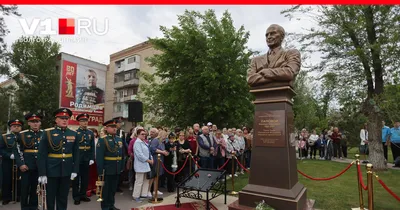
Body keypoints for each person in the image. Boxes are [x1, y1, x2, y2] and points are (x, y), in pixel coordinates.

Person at [37, 108, 79, 210]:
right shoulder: (47, 133)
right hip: (51, 170)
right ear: (56, 120)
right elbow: (42, 154)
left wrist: (75, 170)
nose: (64, 120)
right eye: (61, 118)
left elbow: (77, 154)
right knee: (50, 197)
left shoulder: (73, 134)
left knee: (63, 197)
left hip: (66, 169)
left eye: (66, 118)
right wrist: (42, 173)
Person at [96, 119, 124, 210]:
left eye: (115, 127)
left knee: (113, 189)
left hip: (116, 168)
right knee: (105, 190)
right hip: (107, 169)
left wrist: (121, 166)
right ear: (106, 128)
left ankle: (111, 205)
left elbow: (121, 155)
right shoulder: (103, 140)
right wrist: (100, 171)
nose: (114, 129)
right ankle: (105, 207)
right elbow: (99, 157)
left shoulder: (119, 139)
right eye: (112, 127)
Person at [17, 113, 43, 210]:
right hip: (26, 166)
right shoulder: (22, 134)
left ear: (40, 123)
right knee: (24, 189)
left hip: (39, 166)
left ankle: (33, 207)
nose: (35, 124)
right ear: (29, 123)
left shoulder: (44, 134)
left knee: (35, 189)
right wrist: (21, 164)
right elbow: (17, 150)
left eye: (37, 122)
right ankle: (24, 207)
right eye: (33, 122)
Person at [72, 113, 95, 205]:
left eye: (86, 121)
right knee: (76, 179)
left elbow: (92, 146)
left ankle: (83, 194)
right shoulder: (75, 133)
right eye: (82, 121)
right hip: (78, 158)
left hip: (86, 158)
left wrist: (91, 158)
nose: (85, 123)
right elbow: (73, 148)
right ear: (79, 122)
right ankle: (76, 197)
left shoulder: (90, 133)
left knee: (85, 178)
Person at [0, 119, 23, 205]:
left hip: (20, 161)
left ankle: (18, 196)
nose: (16, 128)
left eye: (18, 126)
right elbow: (1, 149)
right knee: (7, 179)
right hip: (8, 162)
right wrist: (8, 155)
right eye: (14, 126)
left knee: (19, 179)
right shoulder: (4, 137)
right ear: (11, 127)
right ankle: (6, 197)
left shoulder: (23, 136)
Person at [132, 129, 153, 203]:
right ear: (138, 135)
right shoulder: (137, 143)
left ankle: (143, 194)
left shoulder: (144, 142)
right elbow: (139, 155)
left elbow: (148, 151)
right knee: (139, 181)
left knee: (145, 180)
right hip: (140, 164)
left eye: (145, 134)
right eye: (142, 134)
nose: (144, 135)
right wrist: (148, 160)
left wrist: (151, 159)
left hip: (146, 164)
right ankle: (136, 196)